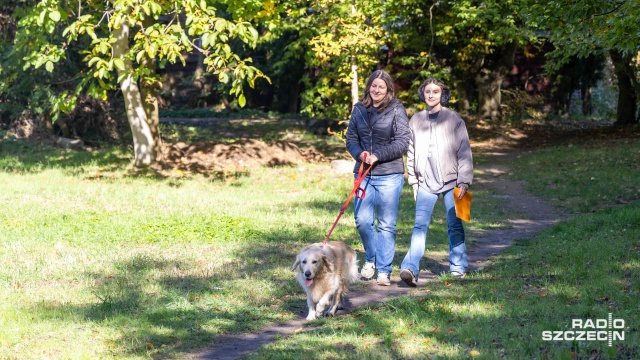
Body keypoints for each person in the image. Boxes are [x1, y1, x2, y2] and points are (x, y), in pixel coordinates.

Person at [399, 78, 474, 287]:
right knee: (419, 226)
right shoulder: (415, 120)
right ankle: (410, 267)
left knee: (455, 224)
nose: (431, 95)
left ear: (442, 95)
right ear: (422, 94)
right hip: (425, 183)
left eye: (435, 92)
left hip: (453, 182)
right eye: (427, 91)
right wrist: (414, 182)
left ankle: (458, 267)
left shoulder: (454, 119)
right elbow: (411, 152)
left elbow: (464, 151)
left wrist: (465, 182)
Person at [346, 69, 410, 286]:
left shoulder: (396, 109)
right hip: (363, 173)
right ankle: (371, 259)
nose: (376, 89)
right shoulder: (359, 109)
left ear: (388, 89)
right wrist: (360, 154)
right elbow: (351, 139)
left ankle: (383, 270)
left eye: (381, 86)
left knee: (386, 224)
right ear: (369, 87)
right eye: (374, 85)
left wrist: (378, 155)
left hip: (389, 174)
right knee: (362, 221)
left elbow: (402, 142)